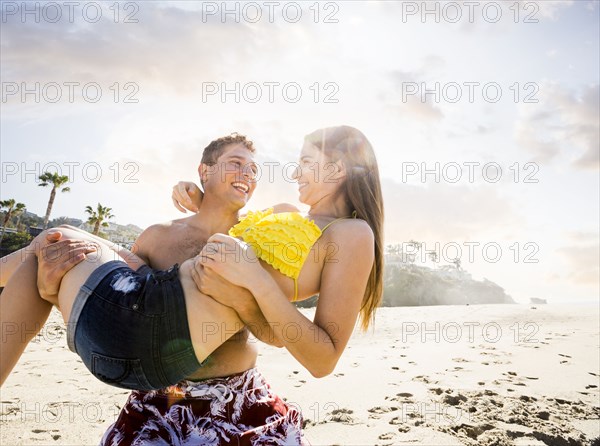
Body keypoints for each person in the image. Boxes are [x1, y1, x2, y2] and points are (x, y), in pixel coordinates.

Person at [2, 124, 383, 403]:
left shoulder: (351, 235)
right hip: (140, 320)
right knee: (48, 250)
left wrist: (255, 284)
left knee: (55, 238)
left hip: (150, 329)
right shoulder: (285, 213)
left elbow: (323, 359)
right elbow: (227, 232)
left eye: (305, 163)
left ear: (335, 170)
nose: (295, 173)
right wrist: (200, 195)